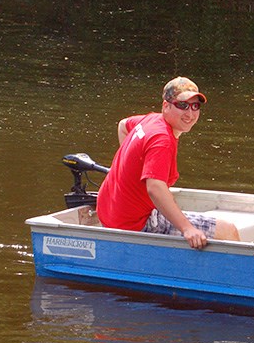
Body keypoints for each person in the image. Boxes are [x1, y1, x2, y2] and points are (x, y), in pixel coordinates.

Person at [97, 77, 239, 249]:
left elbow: (123, 126)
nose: (190, 113)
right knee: (228, 230)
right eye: (182, 105)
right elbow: (155, 187)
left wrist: (128, 168)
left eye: (195, 106)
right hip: (133, 224)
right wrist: (187, 229)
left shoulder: (150, 120)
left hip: (108, 213)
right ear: (166, 106)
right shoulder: (162, 140)